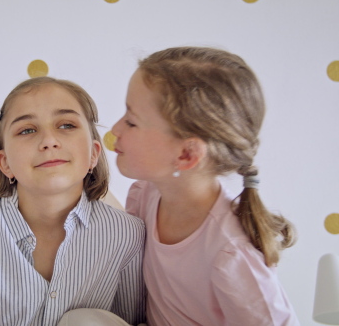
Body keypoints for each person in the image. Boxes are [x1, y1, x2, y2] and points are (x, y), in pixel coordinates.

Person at [0, 77, 146, 326]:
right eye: (27, 130)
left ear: (93, 154)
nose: (49, 141)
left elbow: (128, 321)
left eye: (67, 125)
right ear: (5, 163)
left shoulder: (128, 235)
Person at [112, 46, 299, 325]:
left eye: (131, 121)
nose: (115, 128)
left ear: (187, 155)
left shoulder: (231, 254)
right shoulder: (146, 193)